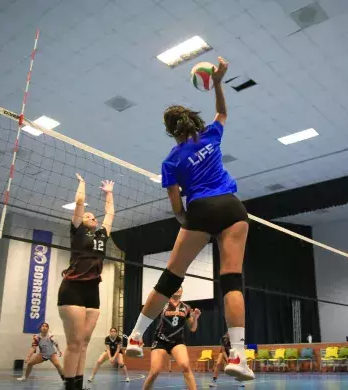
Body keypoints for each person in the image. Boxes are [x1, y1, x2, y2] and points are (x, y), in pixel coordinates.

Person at [125, 57, 255, 382]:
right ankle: (238, 355)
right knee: (231, 281)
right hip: (232, 207)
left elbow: (176, 207)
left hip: (200, 209)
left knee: (171, 279)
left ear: (171, 131)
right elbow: (223, 113)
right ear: (192, 122)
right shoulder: (210, 135)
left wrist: (188, 223)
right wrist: (220, 82)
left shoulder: (170, 161)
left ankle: (136, 337)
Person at [58, 173, 115, 390]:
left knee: (84, 343)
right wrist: (82, 184)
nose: (92, 216)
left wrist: (109, 194)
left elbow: (110, 213)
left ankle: (79, 385)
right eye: (88, 215)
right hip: (72, 288)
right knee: (74, 343)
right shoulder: (77, 231)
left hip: (93, 290)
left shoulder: (102, 234)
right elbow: (80, 203)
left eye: (93, 215)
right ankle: (69, 386)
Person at [143, 287, 201, 390]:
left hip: (177, 342)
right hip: (161, 340)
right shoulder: (162, 304)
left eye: (180, 288)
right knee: (154, 372)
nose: (177, 289)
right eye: (176, 287)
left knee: (185, 366)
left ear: (182, 291)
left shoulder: (186, 308)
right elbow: (148, 315)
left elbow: (192, 328)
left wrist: (195, 318)